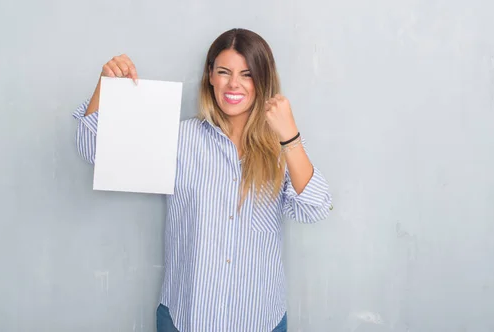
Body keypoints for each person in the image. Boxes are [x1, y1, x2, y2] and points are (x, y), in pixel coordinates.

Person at [73, 28, 333, 332]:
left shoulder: (281, 149)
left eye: (247, 74)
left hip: (260, 319)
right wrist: (106, 87)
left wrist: (290, 136)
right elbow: (93, 150)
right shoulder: (178, 139)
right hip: (186, 318)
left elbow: (315, 208)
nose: (233, 83)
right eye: (224, 72)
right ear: (210, 75)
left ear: (262, 80)